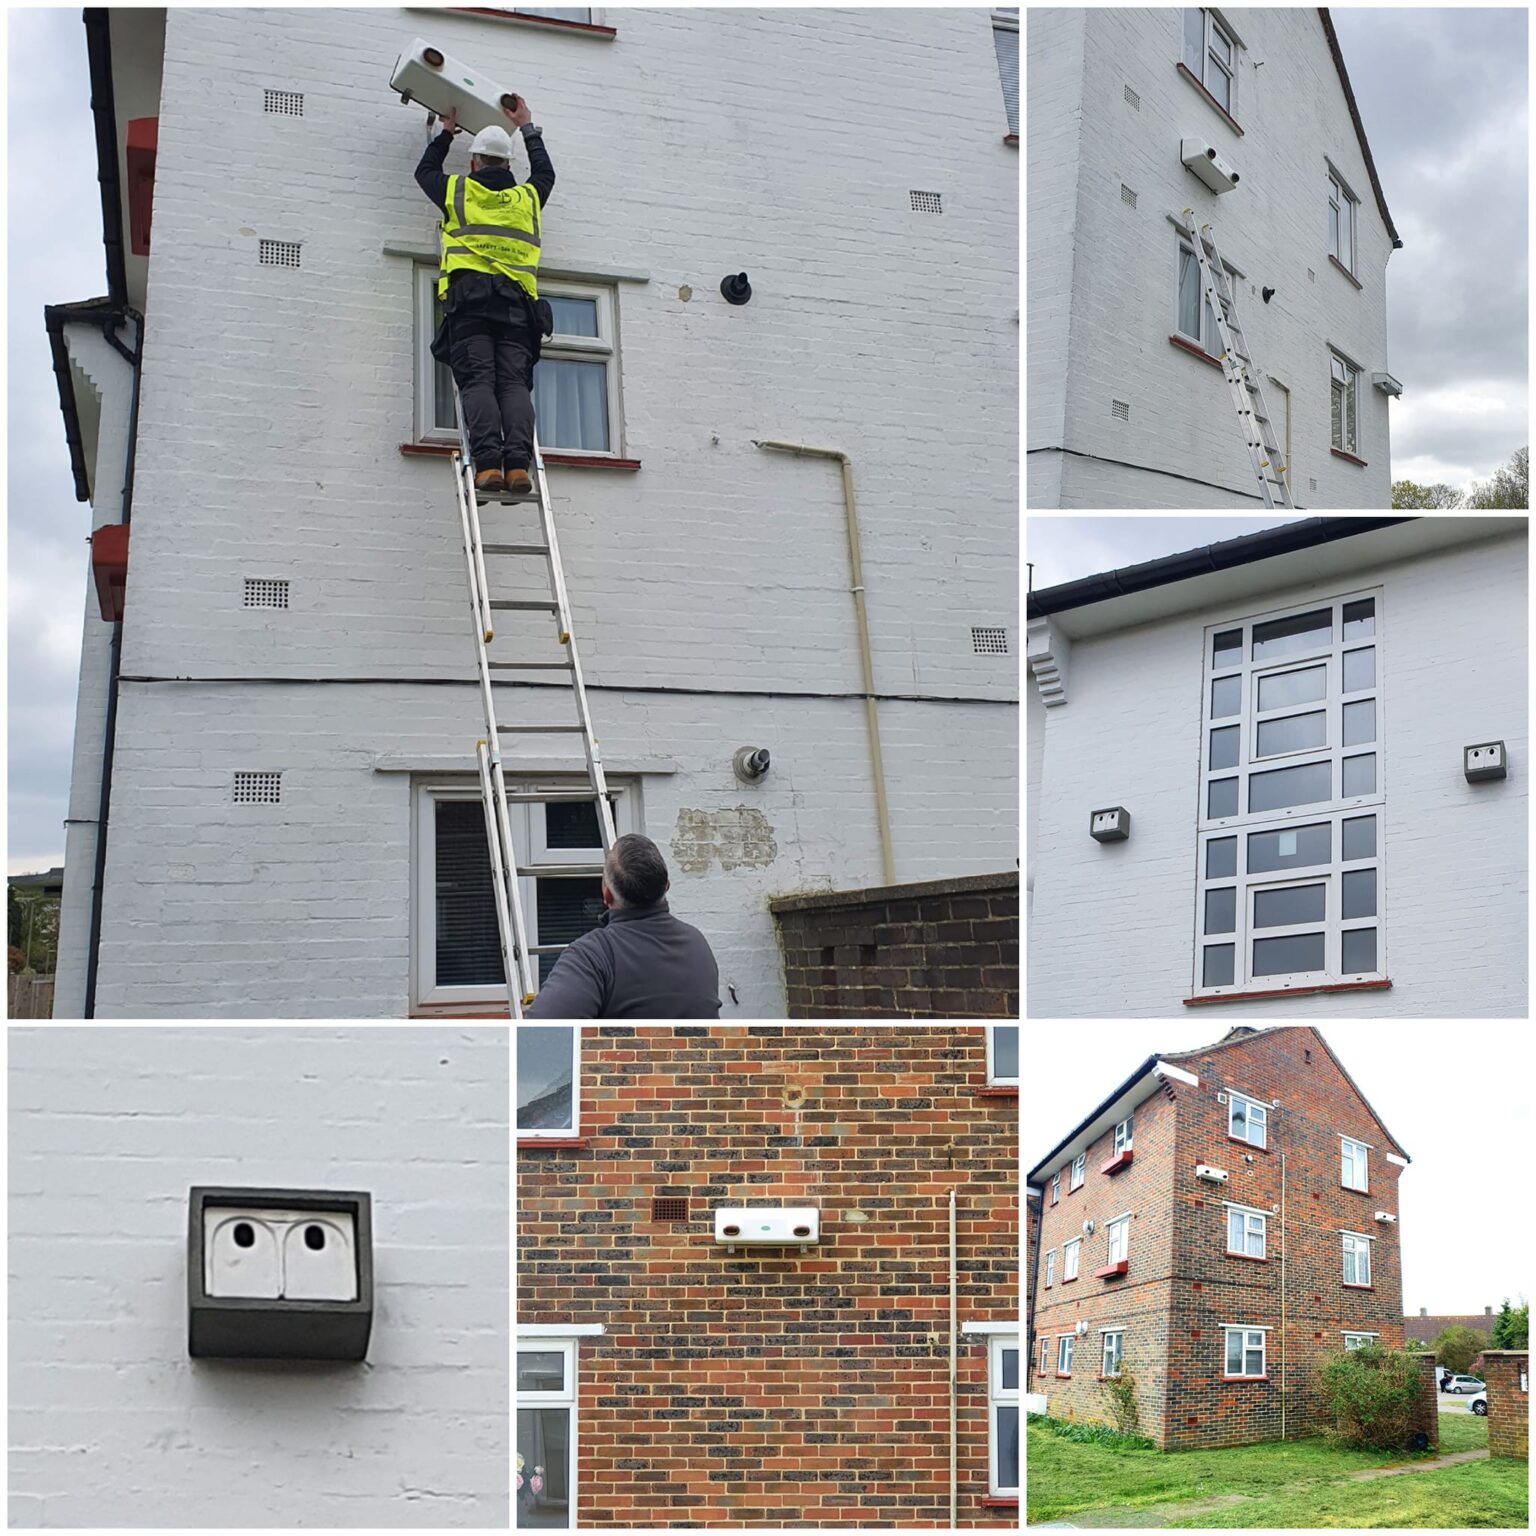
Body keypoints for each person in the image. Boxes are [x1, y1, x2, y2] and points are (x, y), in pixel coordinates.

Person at [414, 94, 553, 500]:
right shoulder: (529, 199)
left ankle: (488, 464)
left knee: (478, 380)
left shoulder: (458, 192)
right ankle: (517, 467)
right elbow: (546, 173)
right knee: (512, 385)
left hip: (471, 307)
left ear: (474, 162)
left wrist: (445, 132)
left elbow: (425, 170)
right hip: (517, 311)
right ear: (509, 165)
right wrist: (527, 125)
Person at [525, 834, 722, 1019]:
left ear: (607, 895)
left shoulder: (593, 956)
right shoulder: (697, 944)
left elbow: (538, 1041)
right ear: (667, 886)